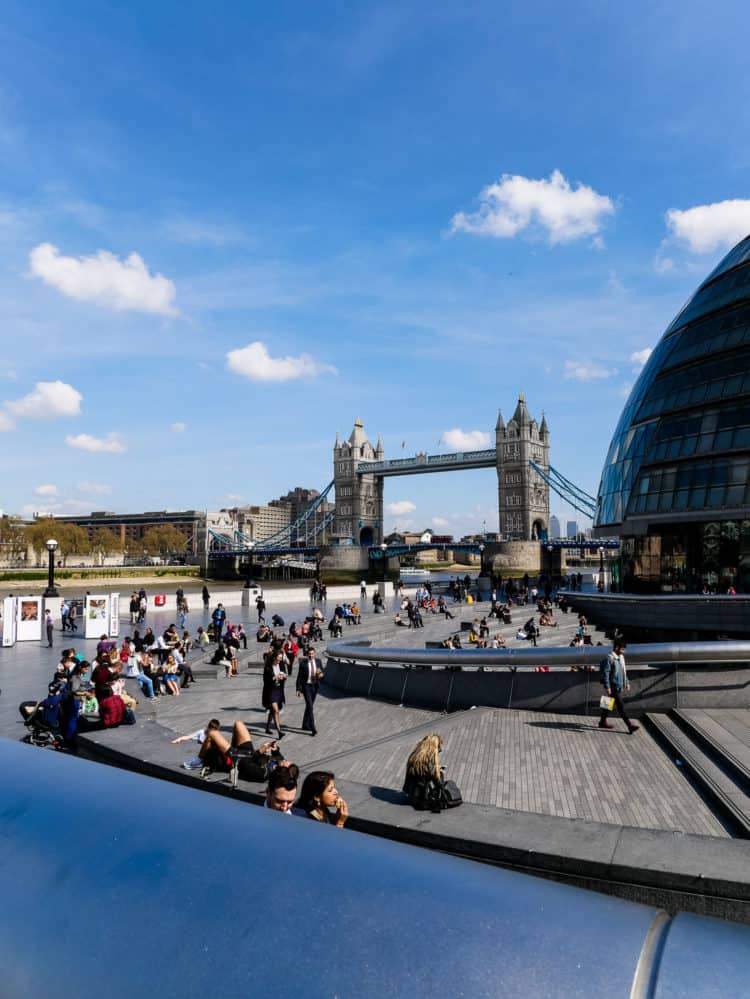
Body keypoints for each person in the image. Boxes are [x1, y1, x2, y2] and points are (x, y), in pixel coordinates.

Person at [599, 641, 639, 734]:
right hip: (613, 685)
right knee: (621, 705)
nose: (623, 651)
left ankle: (602, 721)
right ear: (616, 648)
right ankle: (630, 725)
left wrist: (627, 682)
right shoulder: (609, 658)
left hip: (618, 685)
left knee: (608, 704)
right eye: (622, 649)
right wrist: (607, 687)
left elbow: (623, 671)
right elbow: (606, 673)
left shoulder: (621, 657)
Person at [403, 733, 443, 806]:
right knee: (440, 774)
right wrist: (439, 775)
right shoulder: (430, 757)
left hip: (412, 794)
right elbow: (435, 778)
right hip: (423, 799)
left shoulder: (415, 754)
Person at [296, 646, 323, 736]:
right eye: (309, 654)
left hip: (315, 686)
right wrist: (298, 689)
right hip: (306, 687)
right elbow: (299, 677)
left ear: (315, 653)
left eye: (312, 654)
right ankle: (313, 727)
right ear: (307, 654)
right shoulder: (303, 663)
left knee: (309, 706)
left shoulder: (318, 661)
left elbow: (321, 672)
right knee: (310, 707)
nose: (311, 655)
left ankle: (305, 725)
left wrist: (321, 675)